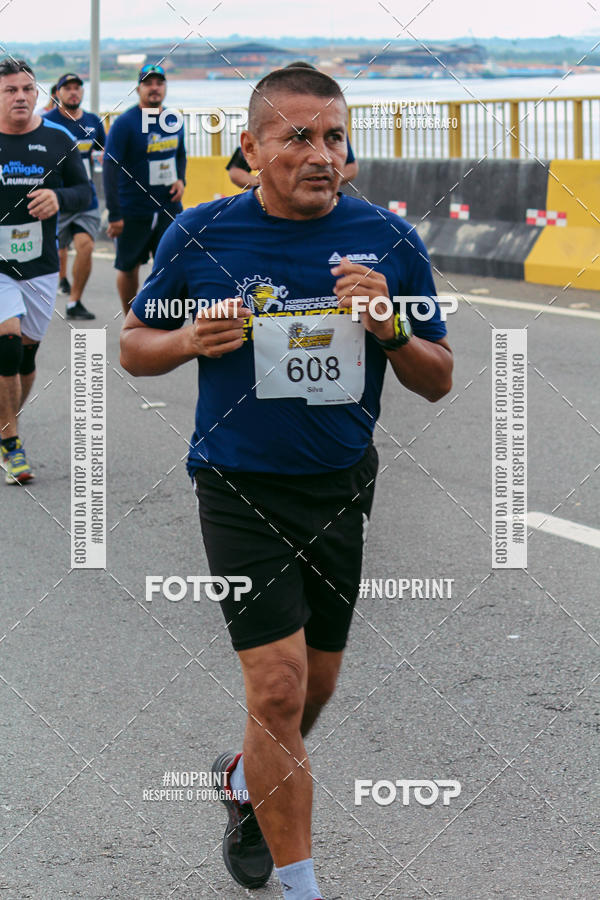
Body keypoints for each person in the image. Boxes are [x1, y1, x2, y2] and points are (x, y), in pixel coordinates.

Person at [120, 66, 453, 900]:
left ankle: (243, 776)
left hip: (339, 484)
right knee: (276, 687)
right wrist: (188, 340)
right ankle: (302, 883)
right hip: (235, 484)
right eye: (297, 137)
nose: (321, 154)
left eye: (334, 137)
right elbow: (132, 345)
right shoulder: (200, 236)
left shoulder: (388, 240)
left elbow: (439, 378)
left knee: (314, 689)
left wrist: (389, 330)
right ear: (251, 147)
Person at [0, 58, 91, 484]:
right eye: (9, 90)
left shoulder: (59, 138)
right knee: (7, 341)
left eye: (26, 89)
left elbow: (85, 192)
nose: (19, 96)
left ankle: (5, 423)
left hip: (40, 266)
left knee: (26, 357)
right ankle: (12, 444)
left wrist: (59, 198)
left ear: (36, 93)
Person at [103, 63, 186, 317]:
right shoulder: (125, 123)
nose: (154, 88)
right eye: (148, 83)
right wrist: (115, 214)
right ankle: (131, 317)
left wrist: (181, 180)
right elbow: (109, 167)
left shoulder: (173, 119)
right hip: (133, 209)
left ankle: (161, 318)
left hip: (168, 207)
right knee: (129, 267)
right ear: (138, 88)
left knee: (172, 264)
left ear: (165, 87)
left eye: (159, 83)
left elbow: (180, 154)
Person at [227, 61, 358, 191]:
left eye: (333, 138)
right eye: (298, 138)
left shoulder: (329, 129)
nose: (322, 158)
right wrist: (259, 184)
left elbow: (351, 167)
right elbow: (236, 171)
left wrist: (323, 180)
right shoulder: (268, 130)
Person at [45, 72, 106, 319]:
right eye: (67, 88)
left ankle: (74, 302)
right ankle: (48, 291)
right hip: (55, 197)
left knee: (86, 245)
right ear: (57, 93)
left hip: (85, 197)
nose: (73, 92)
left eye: (77, 88)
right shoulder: (47, 122)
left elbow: (106, 157)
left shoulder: (93, 122)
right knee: (52, 251)